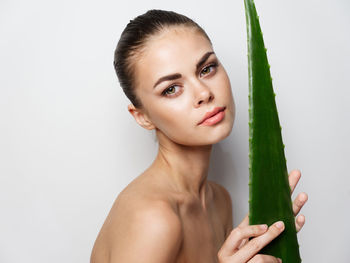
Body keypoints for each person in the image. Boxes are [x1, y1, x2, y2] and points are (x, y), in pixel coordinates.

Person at [90, 9, 308, 263]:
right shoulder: (153, 217)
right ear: (142, 117)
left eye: (207, 68)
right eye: (171, 89)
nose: (204, 93)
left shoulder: (220, 200)